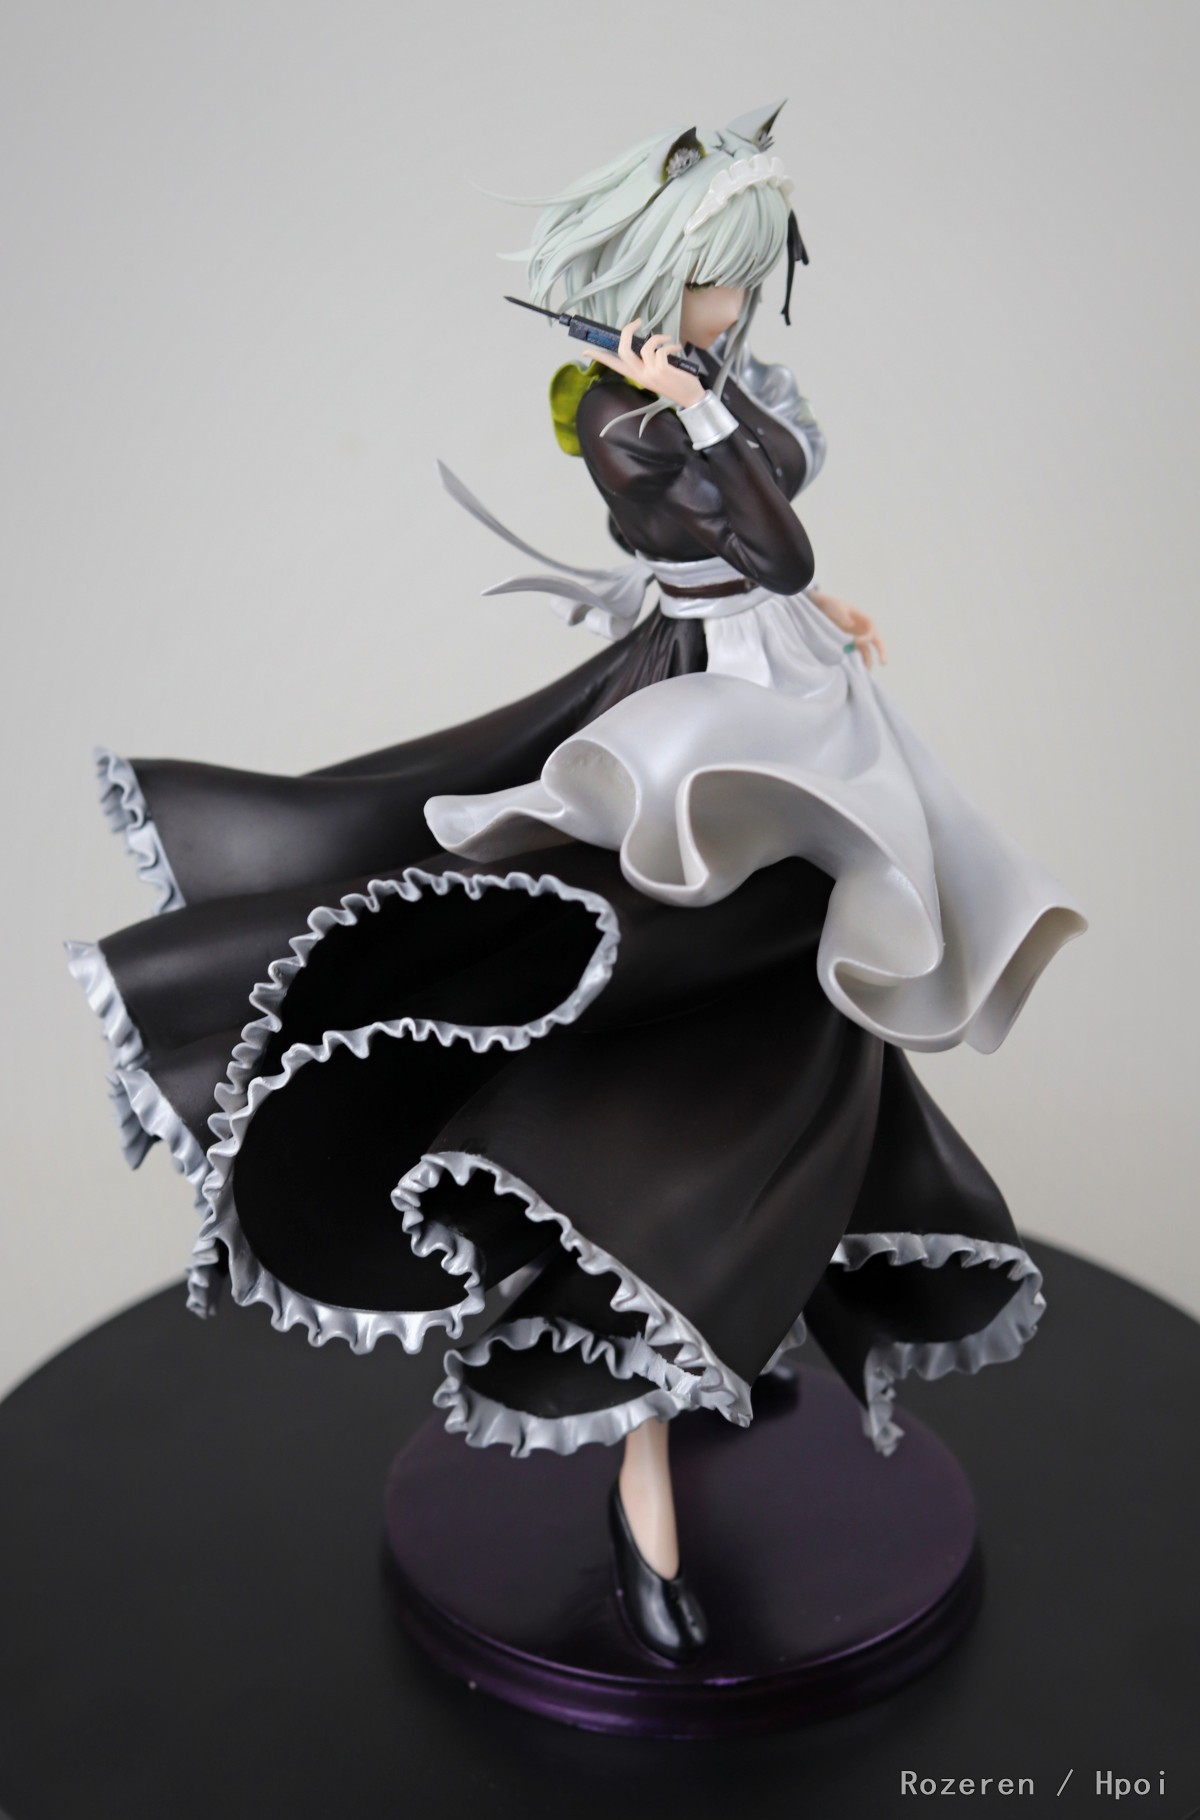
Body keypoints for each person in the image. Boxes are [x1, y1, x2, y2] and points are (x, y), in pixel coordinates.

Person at [69, 104, 1085, 1668]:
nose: (735, 309)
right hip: (697, 725)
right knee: (661, 1013)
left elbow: (786, 556)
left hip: (796, 705)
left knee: (814, 1014)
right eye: (719, 282)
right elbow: (769, 544)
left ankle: (741, 1306)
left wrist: (788, 540)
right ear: (655, 281)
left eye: (749, 283)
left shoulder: (715, 388)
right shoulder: (624, 418)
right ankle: (644, 1482)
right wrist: (706, 424)